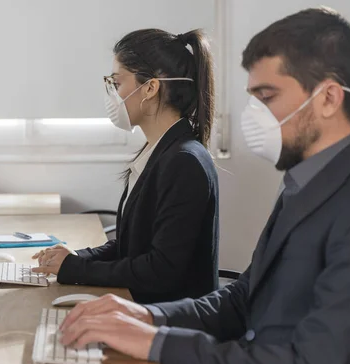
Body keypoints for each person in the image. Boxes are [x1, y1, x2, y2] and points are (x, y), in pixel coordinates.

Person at [55, 8, 350, 364]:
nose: (253, 116)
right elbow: (243, 298)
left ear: (328, 98)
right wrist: (148, 317)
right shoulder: (303, 184)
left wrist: (157, 343)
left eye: (268, 96)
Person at [32, 29, 219, 304]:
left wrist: (75, 269)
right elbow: (131, 246)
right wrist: (74, 258)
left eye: (116, 83)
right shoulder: (160, 150)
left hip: (168, 320)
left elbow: (160, 270)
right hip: (146, 307)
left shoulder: (184, 162)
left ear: (151, 88)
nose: (113, 94)